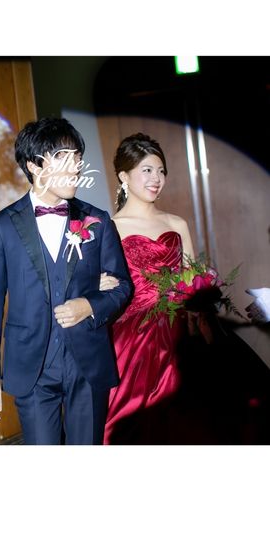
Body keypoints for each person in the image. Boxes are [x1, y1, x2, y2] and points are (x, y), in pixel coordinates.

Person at [0, 117, 133, 445]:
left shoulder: (98, 220)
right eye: (63, 157)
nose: (75, 167)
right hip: (31, 368)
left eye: (78, 158)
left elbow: (122, 287)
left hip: (87, 365)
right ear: (34, 165)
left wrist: (89, 305)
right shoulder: (2, 227)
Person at [102, 133, 196, 444]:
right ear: (123, 176)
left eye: (161, 171)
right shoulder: (109, 228)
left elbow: (193, 281)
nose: (156, 179)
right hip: (132, 336)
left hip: (178, 330)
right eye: (147, 170)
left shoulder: (177, 224)